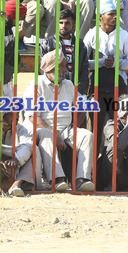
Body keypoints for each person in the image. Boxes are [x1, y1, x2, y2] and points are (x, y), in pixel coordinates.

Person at [22, 50, 96, 192]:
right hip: (41, 128)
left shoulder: (68, 85)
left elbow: (82, 108)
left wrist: (75, 125)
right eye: (61, 66)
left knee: (87, 136)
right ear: (50, 68)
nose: (65, 69)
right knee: (48, 135)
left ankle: (81, 180)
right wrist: (54, 133)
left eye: (65, 65)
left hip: (65, 129)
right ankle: (57, 180)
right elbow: (33, 117)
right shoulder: (36, 85)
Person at [80, 0, 128, 153]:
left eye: (115, 14)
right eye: (111, 14)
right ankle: (94, 164)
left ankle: (118, 164)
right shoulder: (91, 34)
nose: (115, 17)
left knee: (120, 129)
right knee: (95, 130)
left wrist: (117, 63)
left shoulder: (123, 34)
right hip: (96, 90)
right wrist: (100, 63)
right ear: (101, 16)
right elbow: (82, 63)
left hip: (118, 89)